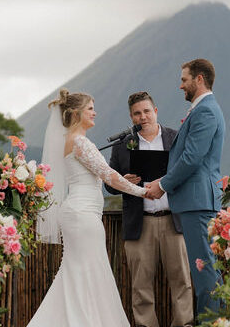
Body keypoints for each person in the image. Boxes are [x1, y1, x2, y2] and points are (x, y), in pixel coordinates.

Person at [28, 89, 147, 327]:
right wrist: (144, 192)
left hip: (80, 214)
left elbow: (103, 174)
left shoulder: (72, 141)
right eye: (90, 108)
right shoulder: (80, 142)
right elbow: (108, 175)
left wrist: (125, 181)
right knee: (88, 273)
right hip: (82, 217)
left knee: (79, 273)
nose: (95, 112)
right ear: (76, 113)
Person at [144, 58, 226, 319]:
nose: (181, 86)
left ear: (199, 79)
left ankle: (213, 323)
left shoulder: (206, 111)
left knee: (206, 273)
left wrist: (163, 184)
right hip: (196, 202)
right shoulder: (202, 109)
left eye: (184, 79)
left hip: (198, 202)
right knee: (206, 270)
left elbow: (192, 157)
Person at [105, 91, 193, 327]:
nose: (142, 117)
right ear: (131, 117)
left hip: (173, 221)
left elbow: (190, 173)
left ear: (155, 111)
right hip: (139, 223)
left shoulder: (176, 138)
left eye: (146, 111)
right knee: (140, 285)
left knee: (182, 281)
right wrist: (123, 180)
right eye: (137, 113)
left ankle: (184, 324)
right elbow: (109, 185)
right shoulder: (123, 146)